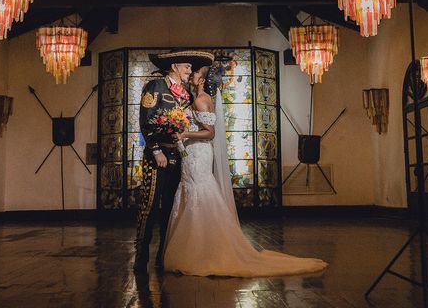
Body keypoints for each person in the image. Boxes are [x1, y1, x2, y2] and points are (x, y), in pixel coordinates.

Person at [162, 62, 328, 277]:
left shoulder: (202, 100)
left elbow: (210, 133)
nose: (192, 74)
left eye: (195, 73)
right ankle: (201, 245)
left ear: (202, 80)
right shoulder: (194, 99)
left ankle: (203, 250)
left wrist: (184, 134)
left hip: (198, 153)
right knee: (192, 190)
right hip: (192, 153)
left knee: (199, 191)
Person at [133, 50, 215, 273]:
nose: (190, 71)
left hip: (178, 157)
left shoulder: (187, 95)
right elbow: (146, 121)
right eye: (187, 67)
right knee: (149, 206)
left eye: (190, 68)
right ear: (175, 66)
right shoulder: (155, 87)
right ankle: (141, 258)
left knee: (170, 208)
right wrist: (156, 150)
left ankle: (163, 256)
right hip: (156, 157)